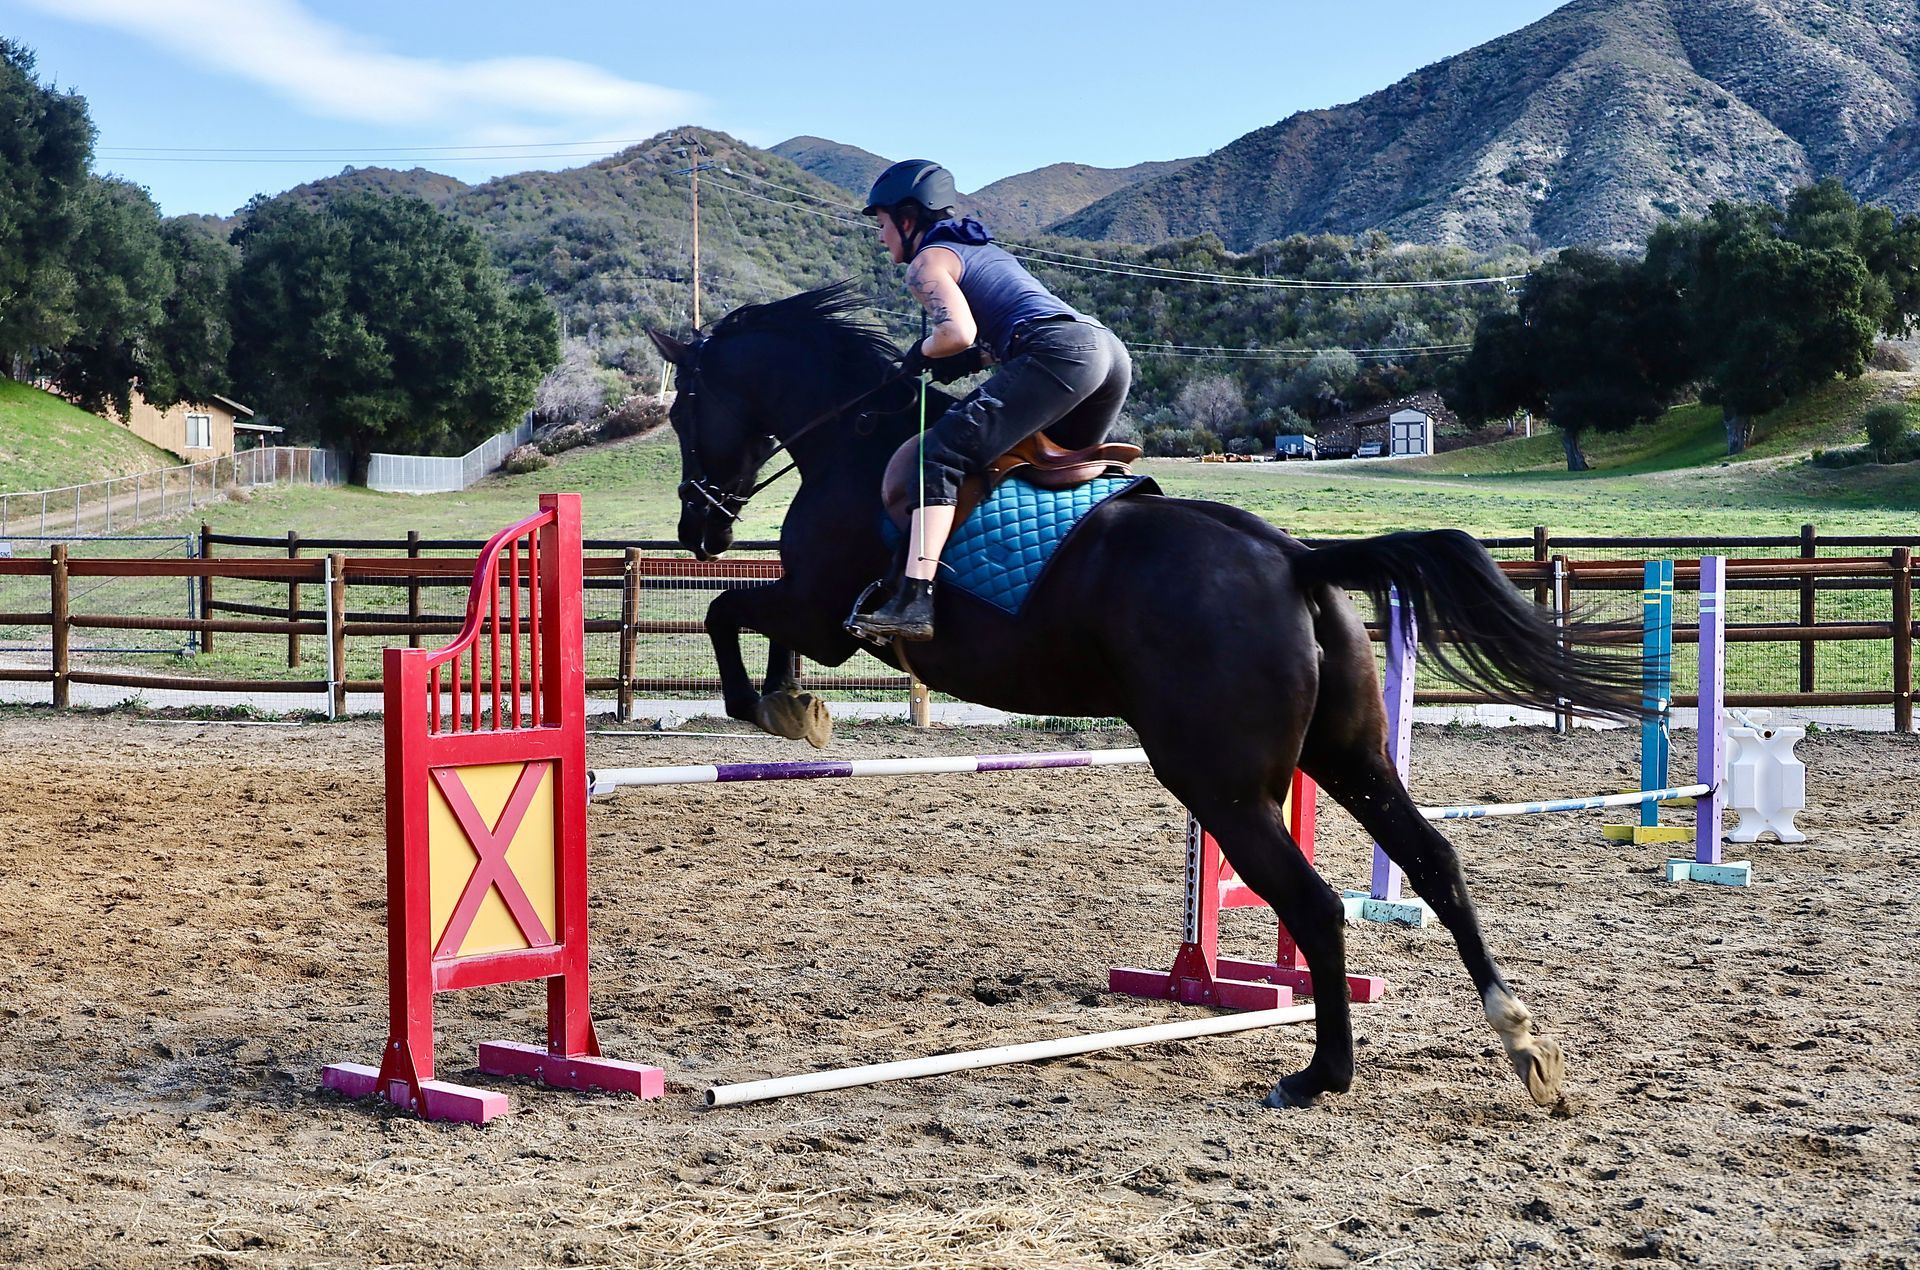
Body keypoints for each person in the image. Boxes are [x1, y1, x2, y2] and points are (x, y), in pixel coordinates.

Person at [847, 159, 1132, 643]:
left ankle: (915, 598)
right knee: (1038, 467)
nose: (881, 237)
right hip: (1105, 353)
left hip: (1059, 354)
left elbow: (956, 332)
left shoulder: (926, 263)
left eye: (882, 224)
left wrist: (922, 352)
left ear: (908, 219)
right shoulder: (981, 251)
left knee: (938, 457)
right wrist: (964, 361)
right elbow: (993, 335)